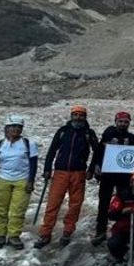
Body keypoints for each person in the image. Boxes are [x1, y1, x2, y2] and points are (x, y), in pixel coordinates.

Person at [35, 105, 100, 249]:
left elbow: (97, 152)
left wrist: (91, 169)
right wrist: (47, 168)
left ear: (85, 117)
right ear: (71, 116)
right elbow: (52, 150)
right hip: (60, 172)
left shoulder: (89, 133)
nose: (78, 117)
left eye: (81, 115)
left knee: (75, 204)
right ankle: (45, 233)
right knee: (53, 203)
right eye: (75, 114)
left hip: (79, 172)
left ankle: (67, 231)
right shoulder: (63, 131)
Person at [0, 114, 38, 250]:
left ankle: (14, 236)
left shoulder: (28, 144)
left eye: (18, 127)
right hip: (2, 180)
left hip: (22, 181)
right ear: (6, 128)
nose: (15, 129)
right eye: (12, 126)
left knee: (18, 210)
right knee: (0, 210)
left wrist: (31, 181)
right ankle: (0, 236)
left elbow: (33, 164)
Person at [91, 111, 134, 246]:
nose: (123, 124)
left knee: (124, 203)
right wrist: (95, 167)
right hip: (108, 175)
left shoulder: (133, 138)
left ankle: (121, 231)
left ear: (129, 123)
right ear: (116, 121)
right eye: (121, 121)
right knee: (104, 203)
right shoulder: (108, 134)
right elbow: (99, 152)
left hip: (124, 177)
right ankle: (100, 231)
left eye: (125, 122)